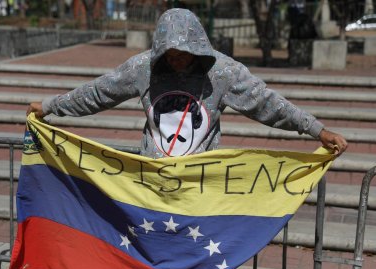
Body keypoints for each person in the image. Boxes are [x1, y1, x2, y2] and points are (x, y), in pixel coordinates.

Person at [27, 8, 347, 159]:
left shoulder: (222, 72)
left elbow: (268, 105)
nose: (177, 60)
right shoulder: (143, 68)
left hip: (199, 180)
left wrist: (317, 129)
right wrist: (51, 106)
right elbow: (98, 94)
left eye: (185, 54)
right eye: (170, 54)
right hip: (152, 176)